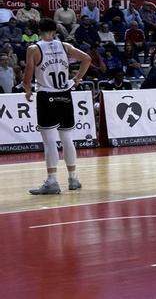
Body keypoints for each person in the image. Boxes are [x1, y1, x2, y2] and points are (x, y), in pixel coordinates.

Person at [25, 18, 92, 195]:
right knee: (67, 138)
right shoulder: (65, 46)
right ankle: (73, 178)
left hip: (46, 95)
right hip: (65, 94)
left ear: (39, 30)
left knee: (49, 141)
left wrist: (27, 90)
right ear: (55, 30)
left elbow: (28, 74)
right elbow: (87, 59)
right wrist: (77, 79)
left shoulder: (34, 49)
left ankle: (52, 181)